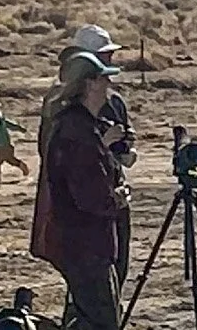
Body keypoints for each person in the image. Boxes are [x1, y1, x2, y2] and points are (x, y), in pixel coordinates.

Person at [31, 52, 155, 330]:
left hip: (78, 242)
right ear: (88, 84)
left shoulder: (76, 125)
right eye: (103, 79)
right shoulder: (78, 133)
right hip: (85, 243)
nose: (109, 86)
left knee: (86, 317)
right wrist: (117, 198)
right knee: (102, 322)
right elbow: (90, 197)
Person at [42, 23, 136, 275]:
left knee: (116, 270)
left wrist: (123, 149)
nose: (109, 62)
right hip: (81, 205)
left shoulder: (111, 99)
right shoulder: (61, 106)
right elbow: (55, 153)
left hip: (110, 194)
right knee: (89, 279)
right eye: (104, 57)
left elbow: (126, 141)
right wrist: (101, 145)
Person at [0, 92, 27, 183]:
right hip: (6, 142)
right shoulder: (0, 116)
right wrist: (19, 128)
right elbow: (8, 124)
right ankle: (22, 166)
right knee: (7, 159)